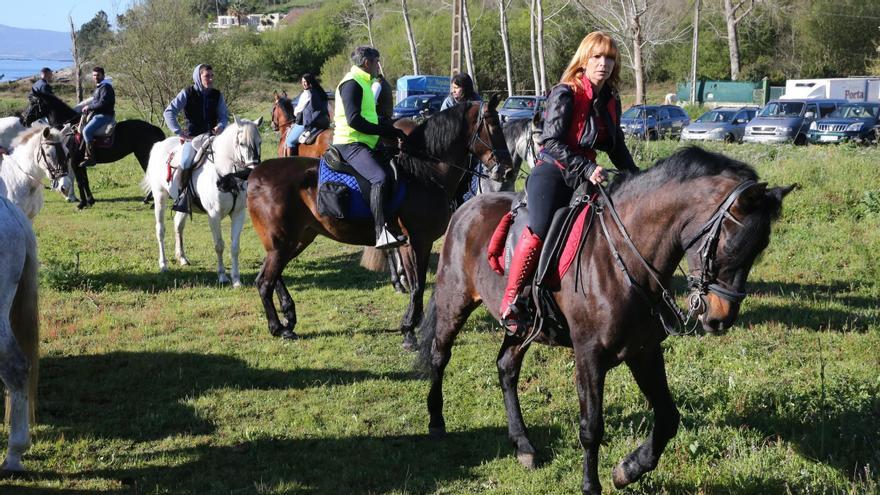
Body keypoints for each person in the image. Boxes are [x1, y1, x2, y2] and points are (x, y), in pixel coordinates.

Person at [499, 31, 639, 336]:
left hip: (589, 174)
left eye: (610, 58)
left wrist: (638, 178)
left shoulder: (610, 99)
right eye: (597, 57)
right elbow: (550, 142)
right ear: (584, 59)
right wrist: (587, 167)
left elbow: (616, 147)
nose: (604, 64)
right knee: (539, 226)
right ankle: (511, 300)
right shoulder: (566, 91)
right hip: (554, 172)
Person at [333, 46, 409, 249]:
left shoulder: (366, 82)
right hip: (350, 143)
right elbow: (354, 120)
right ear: (367, 62)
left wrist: (393, 131)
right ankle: (380, 231)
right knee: (379, 178)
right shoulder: (352, 83)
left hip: (366, 141)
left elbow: (369, 117)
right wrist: (382, 131)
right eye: (377, 61)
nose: (378, 65)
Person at [163, 64, 229, 212]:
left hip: (213, 137)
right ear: (198, 77)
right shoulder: (188, 92)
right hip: (192, 139)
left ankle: (234, 193)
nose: (211, 79)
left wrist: (221, 125)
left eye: (212, 76)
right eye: (207, 76)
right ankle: (183, 197)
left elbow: (224, 115)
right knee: (186, 161)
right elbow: (169, 112)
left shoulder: (217, 95)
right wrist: (179, 132)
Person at [285, 73, 330, 156]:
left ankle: (289, 164)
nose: (304, 84)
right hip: (323, 122)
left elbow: (299, 110)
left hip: (309, 122)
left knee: (289, 141)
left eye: (305, 81)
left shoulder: (308, 93)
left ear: (310, 82)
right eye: (302, 82)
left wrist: (295, 113)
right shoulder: (320, 92)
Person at [81, 66, 115, 163]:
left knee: (86, 131)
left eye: (98, 75)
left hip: (104, 116)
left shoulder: (106, 87)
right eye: (94, 75)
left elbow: (102, 103)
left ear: (103, 75)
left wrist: (89, 107)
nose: (95, 77)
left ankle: (90, 158)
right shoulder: (100, 87)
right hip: (98, 114)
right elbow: (96, 101)